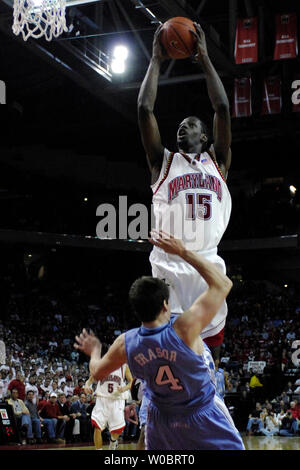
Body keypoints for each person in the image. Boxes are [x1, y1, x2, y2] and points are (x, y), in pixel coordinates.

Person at [74, 232, 244, 450]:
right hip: (201, 414)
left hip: (162, 421)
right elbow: (222, 284)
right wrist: (183, 252)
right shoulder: (184, 329)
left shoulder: (126, 342)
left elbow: (97, 372)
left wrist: (95, 349)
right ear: (166, 305)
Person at [137, 22, 232, 361]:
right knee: (169, 354)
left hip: (207, 264)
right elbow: (144, 110)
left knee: (208, 359)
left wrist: (205, 58)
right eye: (180, 125)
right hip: (170, 267)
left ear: (205, 137)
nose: (182, 127)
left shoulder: (217, 162)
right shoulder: (161, 163)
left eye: (191, 124)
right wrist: (156, 61)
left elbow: (222, 108)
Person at [85, 363, 133, 450]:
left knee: (117, 430)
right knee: (97, 426)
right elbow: (89, 380)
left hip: (117, 399)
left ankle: (113, 441)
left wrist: (124, 388)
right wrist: (87, 386)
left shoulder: (124, 366)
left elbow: (131, 381)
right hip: (102, 399)